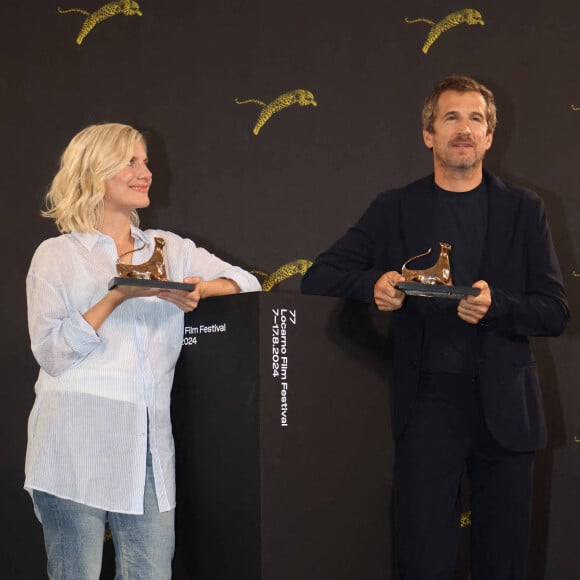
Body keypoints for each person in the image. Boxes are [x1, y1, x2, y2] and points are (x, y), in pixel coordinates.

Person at [301, 76, 569, 579]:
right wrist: (374, 285)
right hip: (426, 410)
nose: (463, 129)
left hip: (507, 412)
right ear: (428, 134)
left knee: (505, 565)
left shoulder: (525, 209)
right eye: (450, 117)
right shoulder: (394, 207)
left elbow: (554, 310)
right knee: (422, 562)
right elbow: (319, 276)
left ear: (490, 136)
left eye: (475, 119)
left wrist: (498, 307)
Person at [25, 122, 262, 580]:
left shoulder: (167, 248)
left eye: (146, 161)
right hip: (74, 443)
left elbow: (248, 283)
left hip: (148, 446)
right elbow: (51, 353)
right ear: (95, 171)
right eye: (131, 162)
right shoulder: (56, 255)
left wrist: (200, 288)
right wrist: (114, 298)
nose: (145, 172)